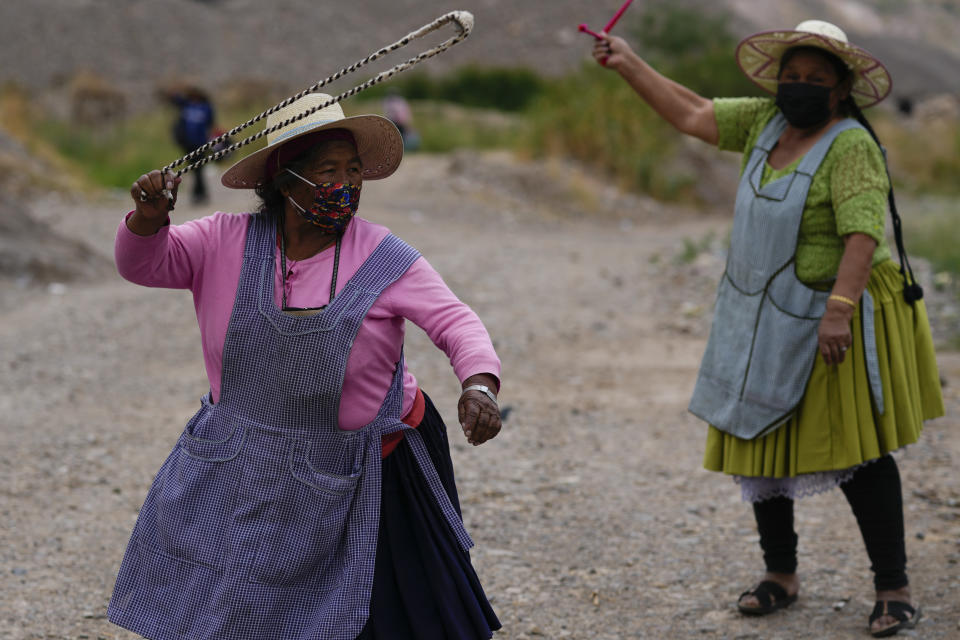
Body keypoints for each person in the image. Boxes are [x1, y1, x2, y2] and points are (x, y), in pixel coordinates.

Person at [593, 20, 943, 638]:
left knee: (857, 450)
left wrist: (839, 307)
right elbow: (694, 112)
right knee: (761, 437)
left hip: (836, 310)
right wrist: (628, 63)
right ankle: (781, 576)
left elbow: (864, 232)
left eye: (815, 80)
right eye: (792, 77)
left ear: (840, 92)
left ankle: (894, 586)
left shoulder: (850, 144)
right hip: (761, 310)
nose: (800, 88)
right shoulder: (764, 122)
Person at [108, 92, 502, 640]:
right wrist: (148, 220)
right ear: (286, 182)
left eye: (355, 170)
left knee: (383, 617)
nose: (347, 185)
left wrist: (478, 383)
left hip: (366, 468)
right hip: (243, 462)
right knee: (234, 607)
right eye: (328, 171)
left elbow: (456, 322)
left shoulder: (386, 257)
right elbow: (143, 265)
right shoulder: (222, 240)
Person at [167, 86, 215, 204]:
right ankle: (199, 194)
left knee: (198, 169)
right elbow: (175, 100)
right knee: (194, 169)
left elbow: (210, 123)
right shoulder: (187, 105)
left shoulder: (206, 108)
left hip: (201, 144)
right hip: (188, 144)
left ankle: (199, 194)